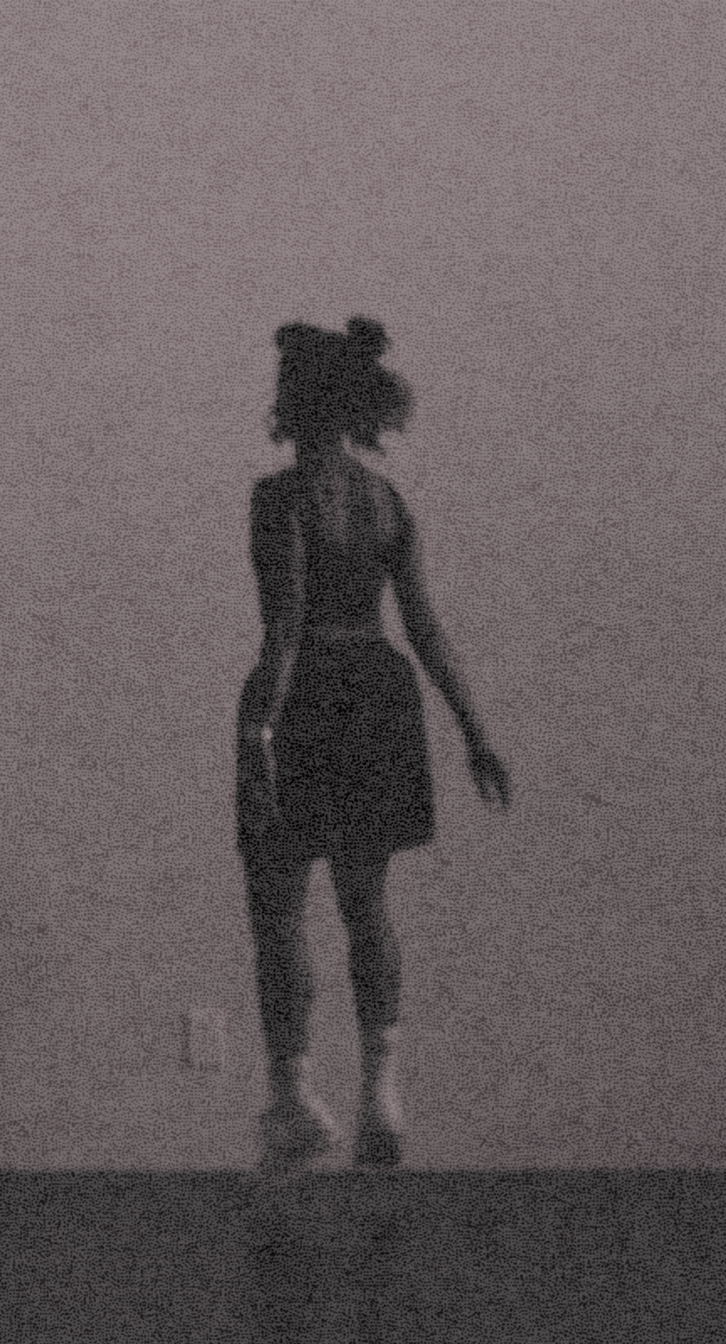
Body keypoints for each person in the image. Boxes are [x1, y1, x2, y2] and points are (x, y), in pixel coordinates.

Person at [236, 317, 511, 1171]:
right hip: (381, 696)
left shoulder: (281, 499)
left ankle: (292, 1096)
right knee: (367, 905)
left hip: (309, 696)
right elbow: (426, 629)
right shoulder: (387, 502)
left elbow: (283, 630)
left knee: (280, 907)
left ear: (295, 402)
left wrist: (257, 736)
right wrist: (475, 733)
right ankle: (381, 1092)